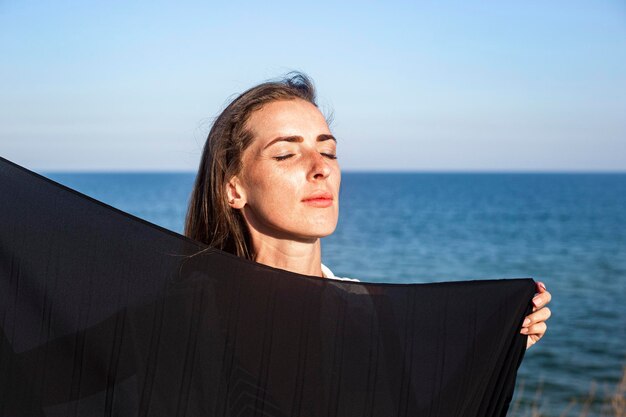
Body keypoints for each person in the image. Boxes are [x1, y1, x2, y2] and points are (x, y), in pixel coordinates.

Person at [184, 72, 551, 349]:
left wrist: (498, 343)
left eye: (328, 152)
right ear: (234, 189)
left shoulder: (371, 314)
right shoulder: (190, 316)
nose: (321, 167)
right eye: (286, 154)